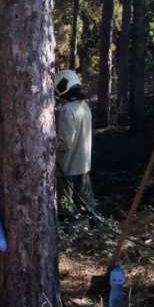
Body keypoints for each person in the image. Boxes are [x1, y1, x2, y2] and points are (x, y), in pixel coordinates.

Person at [53, 70, 95, 222]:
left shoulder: (66, 110)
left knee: (66, 209)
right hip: (83, 165)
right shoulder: (84, 107)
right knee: (88, 205)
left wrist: (47, 143)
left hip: (67, 167)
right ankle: (96, 235)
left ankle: (69, 238)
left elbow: (64, 143)